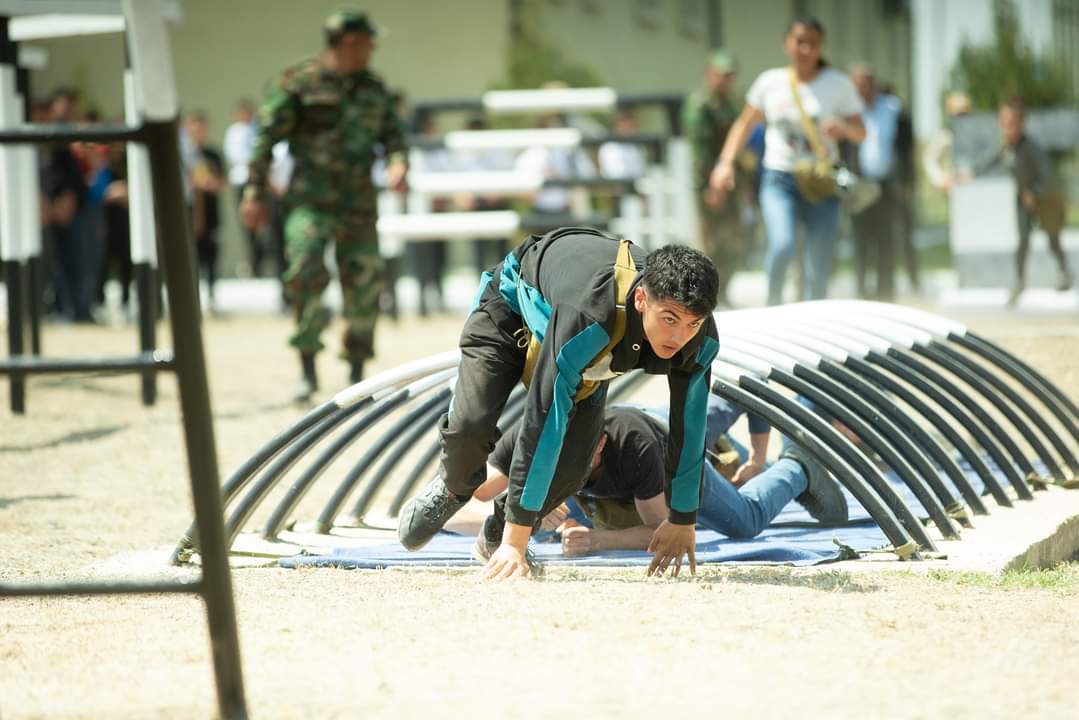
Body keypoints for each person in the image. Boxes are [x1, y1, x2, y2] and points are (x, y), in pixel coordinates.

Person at [397, 227, 721, 580]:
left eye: (692, 323)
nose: (679, 336)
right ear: (641, 299)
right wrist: (516, 544)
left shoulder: (697, 338)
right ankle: (452, 488)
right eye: (669, 319)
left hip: (587, 353)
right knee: (471, 427)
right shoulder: (591, 316)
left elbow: (689, 427)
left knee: (574, 467)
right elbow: (542, 421)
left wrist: (683, 520)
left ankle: (496, 530)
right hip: (511, 312)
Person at [240, 9, 408, 401]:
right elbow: (264, 140)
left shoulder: (373, 87)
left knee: (364, 283)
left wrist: (399, 163)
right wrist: (253, 194)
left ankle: (356, 372)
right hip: (309, 202)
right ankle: (308, 369)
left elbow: (395, 137)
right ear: (349, 41)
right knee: (305, 274)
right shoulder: (299, 82)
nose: (373, 49)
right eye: (369, 42)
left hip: (358, 205)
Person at [471, 398, 846, 557]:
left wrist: (600, 540)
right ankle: (723, 442)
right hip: (652, 420)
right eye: (556, 460)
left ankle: (797, 465)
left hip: (670, 454)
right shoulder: (536, 432)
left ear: (599, 445)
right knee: (563, 522)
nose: (563, 467)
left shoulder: (637, 450)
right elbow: (481, 490)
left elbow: (662, 532)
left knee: (745, 521)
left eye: (575, 462)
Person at [709, 18, 865, 305]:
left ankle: (815, 317)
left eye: (813, 43)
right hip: (779, 178)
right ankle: (774, 305)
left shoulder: (838, 84)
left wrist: (843, 128)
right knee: (782, 245)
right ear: (787, 44)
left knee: (818, 265)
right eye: (799, 41)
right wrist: (725, 163)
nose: (805, 49)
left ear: (821, 47)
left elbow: (860, 132)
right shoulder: (770, 83)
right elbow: (744, 124)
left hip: (821, 182)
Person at [964, 97, 1072, 305]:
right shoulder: (1006, 147)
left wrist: (1035, 193)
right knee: (1022, 241)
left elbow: (1048, 178)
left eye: (1011, 123)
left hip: (1045, 200)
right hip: (1022, 199)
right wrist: (965, 175)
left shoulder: (1032, 149)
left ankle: (1064, 273)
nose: (1007, 128)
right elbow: (987, 162)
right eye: (1003, 123)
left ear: (1021, 124)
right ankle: (1020, 282)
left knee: (1053, 240)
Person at [683, 49, 747, 307]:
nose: (725, 80)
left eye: (729, 75)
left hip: (731, 182)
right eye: (721, 75)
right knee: (710, 241)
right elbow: (700, 152)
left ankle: (723, 289)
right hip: (709, 182)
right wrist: (712, 186)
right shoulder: (701, 105)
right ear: (709, 75)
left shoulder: (732, 106)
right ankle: (703, 295)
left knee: (734, 240)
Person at [848, 63, 903, 301]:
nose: (864, 88)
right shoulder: (848, 112)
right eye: (859, 83)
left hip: (885, 184)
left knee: (886, 240)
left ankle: (885, 291)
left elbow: (905, 146)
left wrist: (905, 179)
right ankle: (861, 290)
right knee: (860, 240)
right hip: (858, 185)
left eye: (868, 82)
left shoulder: (891, 108)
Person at [185, 111, 225, 309]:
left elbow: (221, 183)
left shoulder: (213, 155)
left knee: (211, 255)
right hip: (188, 213)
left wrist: (209, 184)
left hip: (210, 213)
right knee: (189, 256)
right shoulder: (182, 155)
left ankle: (211, 295)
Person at [223, 99, 266, 278]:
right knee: (248, 223)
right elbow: (235, 155)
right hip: (243, 180)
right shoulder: (235, 132)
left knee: (264, 221)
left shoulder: (259, 130)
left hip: (259, 180)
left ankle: (262, 257)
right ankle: (254, 260)